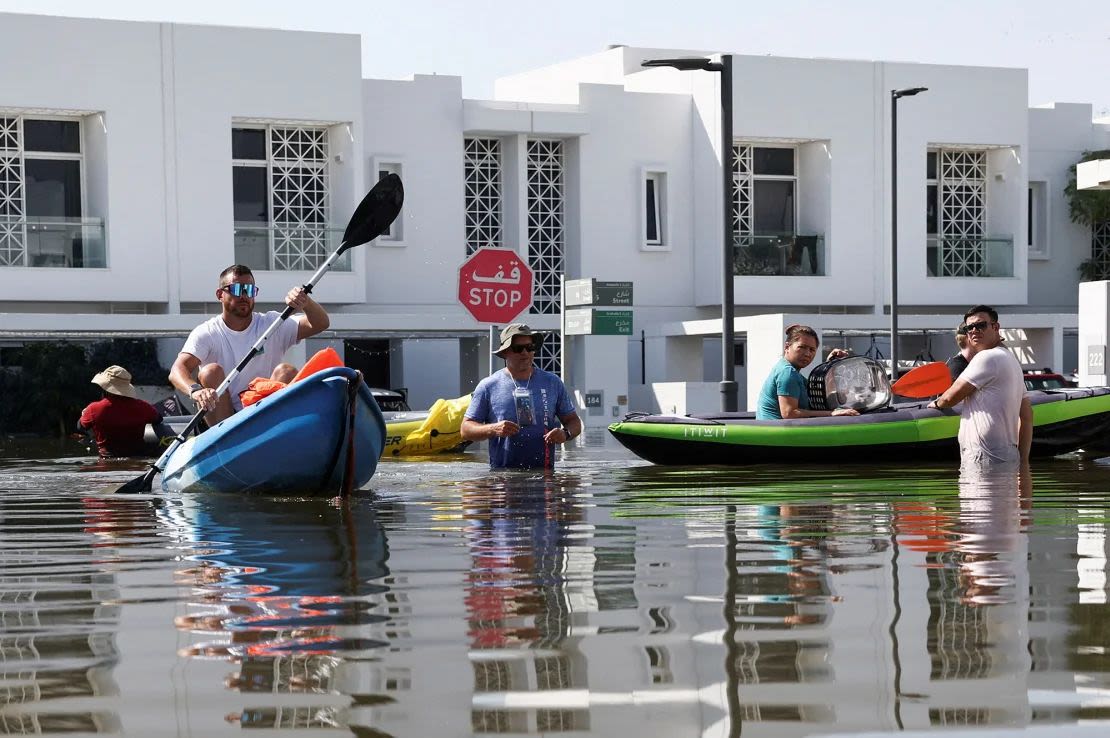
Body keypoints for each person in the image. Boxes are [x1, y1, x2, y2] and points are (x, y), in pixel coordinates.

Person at [168, 264, 330, 425]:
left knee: (286, 371)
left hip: (263, 410)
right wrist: (196, 391)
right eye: (238, 290)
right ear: (220, 294)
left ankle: (274, 432)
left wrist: (306, 302)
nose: (245, 296)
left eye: (250, 290)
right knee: (211, 371)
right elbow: (177, 371)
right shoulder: (207, 332)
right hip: (224, 414)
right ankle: (227, 437)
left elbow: (320, 324)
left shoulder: (272, 323)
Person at [461, 324, 583, 469]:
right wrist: (494, 429)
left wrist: (565, 433)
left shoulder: (552, 382)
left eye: (530, 347)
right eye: (518, 348)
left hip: (545, 475)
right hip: (503, 477)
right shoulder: (488, 386)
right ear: (505, 352)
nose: (525, 352)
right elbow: (465, 429)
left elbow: (574, 421)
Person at [927, 305, 1033, 466]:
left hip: (984, 455)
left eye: (981, 325)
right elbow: (1027, 417)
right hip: (1007, 455)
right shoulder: (1011, 360)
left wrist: (936, 403)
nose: (975, 330)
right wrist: (1023, 461)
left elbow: (950, 397)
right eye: (970, 327)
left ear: (996, 327)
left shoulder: (987, 357)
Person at [756, 324, 861, 420]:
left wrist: (829, 364)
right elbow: (789, 413)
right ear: (787, 347)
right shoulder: (787, 372)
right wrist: (832, 413)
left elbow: (816, 391)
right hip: (775, 435)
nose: (807, 354)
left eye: (812, 350)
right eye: (802, 347)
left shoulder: (792, 372)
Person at [78, 365, 163, 457]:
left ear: (105, 388)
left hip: (106, 463)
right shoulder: (143, 407)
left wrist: (85, 414)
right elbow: (158, 419)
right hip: (137, 462)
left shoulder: (93, 409)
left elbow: (80, 427)